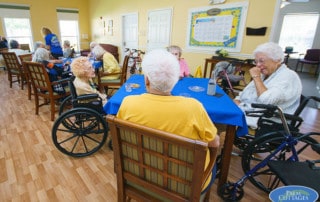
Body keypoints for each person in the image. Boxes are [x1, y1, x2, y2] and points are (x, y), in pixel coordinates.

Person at [117, 49, 220, 193]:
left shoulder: (127, 103)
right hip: (184, 187)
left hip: (139, 174)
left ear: (146, 79)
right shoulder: (193, 107)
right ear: (175, 80)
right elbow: (214, 143)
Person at [234, 42, 302, 129]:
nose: (258, 65)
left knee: (218, 125)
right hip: (248, 111)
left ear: (277, 60)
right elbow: (245, 92)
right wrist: (237, 100)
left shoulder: (288, 76)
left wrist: (256, 77)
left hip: (267, 121)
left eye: (261, 61)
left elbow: (267, 101)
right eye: (256, 61)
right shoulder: (265, 74)